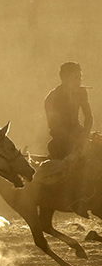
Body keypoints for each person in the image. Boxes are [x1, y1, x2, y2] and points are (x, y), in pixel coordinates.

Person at [44, 62, 94, 214]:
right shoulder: (52, 98)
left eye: (80, 77)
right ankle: (75, 199)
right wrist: (75, 141)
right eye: (75, 77)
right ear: (64, 78)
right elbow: (55, 126)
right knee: (73, 163)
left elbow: (88, 117)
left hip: (79, 134)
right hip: (60, 140)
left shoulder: (81, 92)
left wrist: (85, 135)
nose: (79, 80)